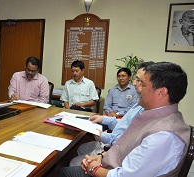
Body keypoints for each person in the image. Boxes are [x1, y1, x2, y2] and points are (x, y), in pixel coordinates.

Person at [58, 61, 190, 177]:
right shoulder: (154, 116)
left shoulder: (164, 136)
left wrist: (93, 168)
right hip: (113, 162)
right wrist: (102, 157)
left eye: (142, 84)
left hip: (113, 171)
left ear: (161, 92)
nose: (136, 87)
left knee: (64, 172)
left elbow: (123, 175)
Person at [68, 62, 154, 167]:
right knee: (81, 148)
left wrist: (103, 135)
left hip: (115, 148)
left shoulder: (144, 106)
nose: (135, 83)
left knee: (73, 163)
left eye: (138, 80)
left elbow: (127, 139)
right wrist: (102, 119)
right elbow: (109, 109)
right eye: (119, 76)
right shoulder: (117, 92)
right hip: (112, 126)